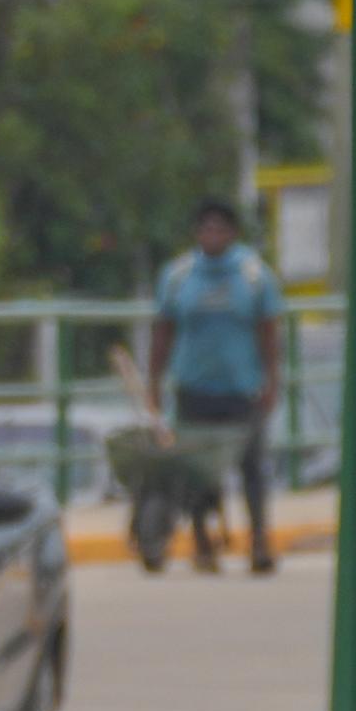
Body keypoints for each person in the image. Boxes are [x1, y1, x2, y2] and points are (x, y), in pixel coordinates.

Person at [148, 197, 288, 574]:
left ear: (232, 233)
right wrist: (154, 382)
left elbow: (269, 333)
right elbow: (163, 331)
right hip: (194, 389)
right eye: (206, 228)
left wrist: (272, 380)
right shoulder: (178, 276)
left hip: (241, 390)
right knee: (197, 472)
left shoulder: (254, 276)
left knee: (252, 468)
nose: (212, 235)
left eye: (220, 228)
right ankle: (203, 542)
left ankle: (259, 541)